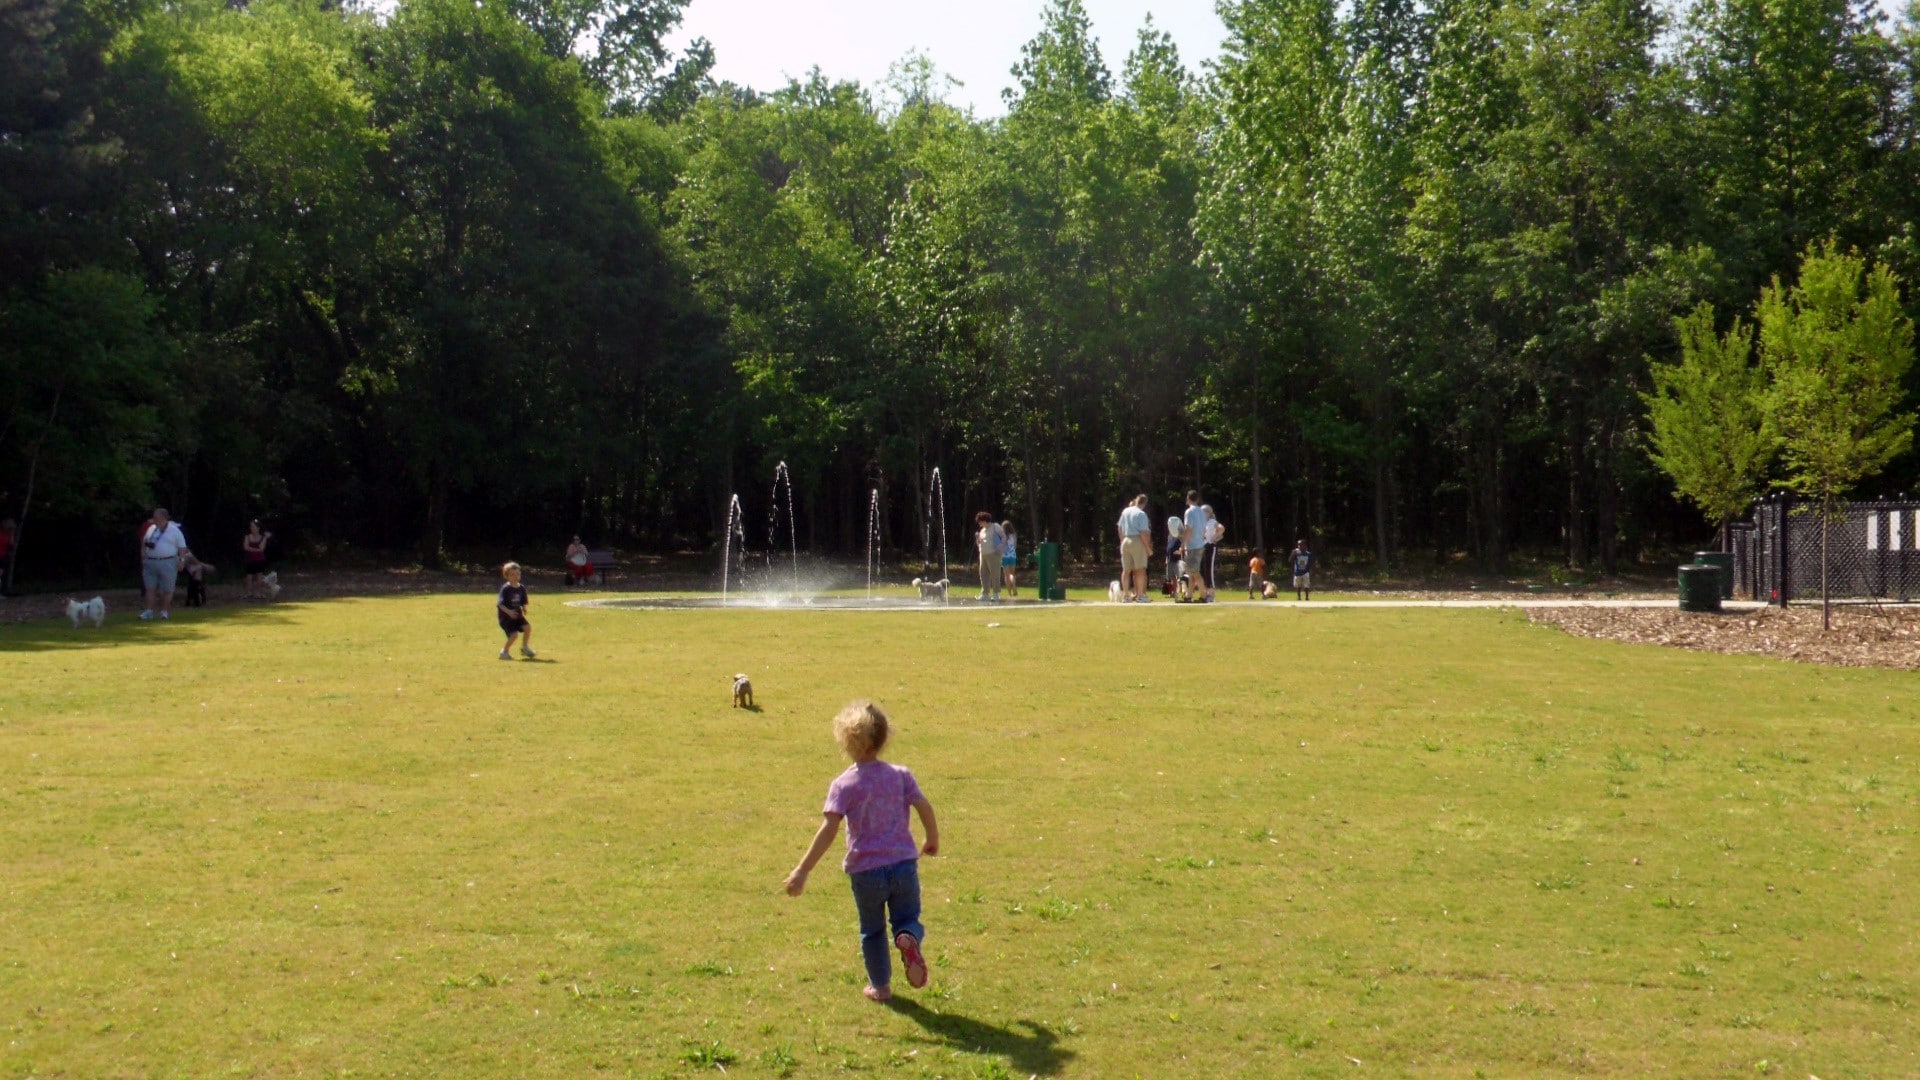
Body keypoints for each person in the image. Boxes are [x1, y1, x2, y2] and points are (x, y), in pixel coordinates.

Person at [784, 700, 940, 1004]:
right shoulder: (901, 775)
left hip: (866, 872)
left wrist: (802, 870)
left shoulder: (844, 784)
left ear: (846, 742)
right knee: (908, 917)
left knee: (872, 931)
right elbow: (923, 805)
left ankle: (880, 987)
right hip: (903, 864)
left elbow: (828, 830)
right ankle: (908, 938)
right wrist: (932, 837)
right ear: (883, 739)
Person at [139, 508, 193, 621]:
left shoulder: (174, 530)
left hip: (168, 561)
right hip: (151, 562)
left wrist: (182, 561)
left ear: (163, 518)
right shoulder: (151, 528)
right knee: (150, 588)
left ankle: (164, 612)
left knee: (167, 589)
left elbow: (182, 547)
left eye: (156, 517)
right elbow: (144, 541)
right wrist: (143, 554)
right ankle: (148, 612)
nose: (153, 519)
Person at [1116, 495, 1152, 602]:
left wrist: (1122, 541)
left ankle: (1125, 595)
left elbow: (1120, 528)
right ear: (1144, 503)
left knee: (1126, 570)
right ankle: (1140, 595)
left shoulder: (1125, 511)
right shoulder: (1141, 514)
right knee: (1140, 570)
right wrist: (1147, 547)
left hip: (1126, 540)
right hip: (1137, 540)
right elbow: (1143, 533)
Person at [497, 561, 536, 659]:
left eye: (518, 574)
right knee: (514, 635)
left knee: (527, 628)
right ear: (507, 576)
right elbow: (500, 604)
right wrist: (509, 612)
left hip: (517, 615)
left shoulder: (521, 588)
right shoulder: (506, 589)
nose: (516, 576)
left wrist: (524, 607)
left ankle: (525, 647)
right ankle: (504, 652)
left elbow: (523, 600)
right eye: (512, 574)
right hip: (506, 618)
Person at [1180, 491, 1213, 603]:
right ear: (1197, 499)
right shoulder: (1202, 512)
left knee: (1194, 572)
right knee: (1192, 572)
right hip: (1200, 544)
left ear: (1188, 498)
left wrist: (1183, 543)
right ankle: (1188, 596)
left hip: (1193, 545)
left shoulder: (1189, 512)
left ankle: (1204, 595)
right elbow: (1204, 529)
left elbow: (1188, 529)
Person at [973, 511, 1004, 602]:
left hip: (994, 554)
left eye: (980, 521)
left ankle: (996, 594)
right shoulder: (982, 530)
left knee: (995, 574)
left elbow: (1003, 537)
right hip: (983, 554)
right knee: (983, 574)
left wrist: (1000, 548)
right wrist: (978, 539)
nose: (979, 523)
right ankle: (985, 594)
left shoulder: (995, 527)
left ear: (985, 520)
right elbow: (979, 543)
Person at [242, 520, 272, 599]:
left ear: (258, 528)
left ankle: (258, 593)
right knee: (249, 576)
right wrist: (257, 550)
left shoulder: (262, 537)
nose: (251, 528)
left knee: (259, 575)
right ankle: (248, 592)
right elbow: (246, 547)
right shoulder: (247, 536)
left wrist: (265, 538)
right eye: (250, 526)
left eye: (253, 526)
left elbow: (262, 548)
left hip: (259, 560)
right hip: (249, 559)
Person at [1202, 505, 1225, 603]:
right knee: (1203, 570)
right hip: (1203, 547)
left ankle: (1211, 593)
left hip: (1210, 546)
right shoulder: (1204, 523)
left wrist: (1215, 537)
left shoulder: (1212, 522)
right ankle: (1207, 593)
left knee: (1209, 570)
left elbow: (1221, 528)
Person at [1164, 513, 1184, 596]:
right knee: (1171, 576)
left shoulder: (1181, 535)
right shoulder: (1170, 535)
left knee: (1180, 577)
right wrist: (1166, 558)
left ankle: (1182, 591)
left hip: (1178, 559)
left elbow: (1184, 545)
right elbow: (1168, 546)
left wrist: (1180, 552)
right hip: (1170, 558)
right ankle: (1173, 591)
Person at [1000, 522, 1019, 597]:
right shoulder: (1014, 535)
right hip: (1012, 556)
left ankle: (1009, 593)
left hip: (1004, 556)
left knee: (1006, 575)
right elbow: (1015, 546)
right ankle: (1014, 585)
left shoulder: (1002, 535)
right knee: (1012, 574)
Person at [0, 517, 14, 595]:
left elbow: (10, 546)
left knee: (1, 574)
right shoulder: (2, 534)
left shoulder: (8, 535)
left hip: (2, 556)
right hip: (2, 555)